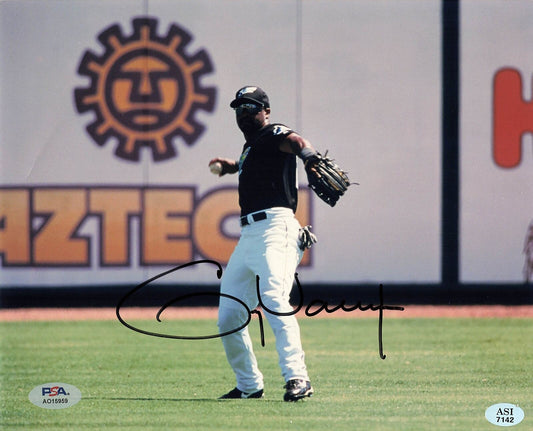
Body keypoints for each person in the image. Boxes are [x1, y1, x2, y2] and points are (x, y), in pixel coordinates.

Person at [209, 86, 319, 402]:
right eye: (238, 108)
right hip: (248, 237)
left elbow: (296, 142)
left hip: (276, 230)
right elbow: (249, 164)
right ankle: (249, 385)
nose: (243, 113)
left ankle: (298, 377)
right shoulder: (252, 147)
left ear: (265, 111)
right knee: (229, 314)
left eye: (250, 107)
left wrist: (309, 156)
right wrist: (231, 166)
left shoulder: (273, 133)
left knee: (273, 299)